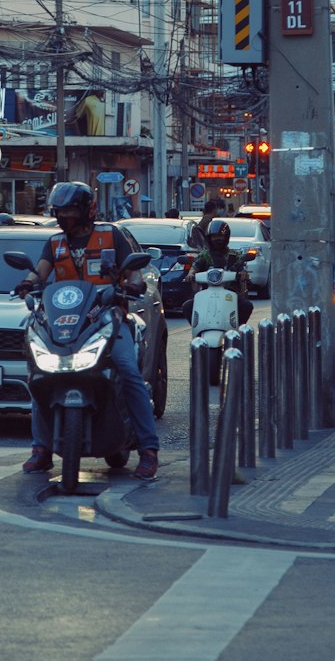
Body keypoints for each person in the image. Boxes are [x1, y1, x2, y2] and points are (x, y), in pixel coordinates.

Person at [16, 180, 160, 480]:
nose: (62, 217)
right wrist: (28, 283)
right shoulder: (54, 243)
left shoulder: (111, 235)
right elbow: (40, 270)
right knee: (38, 375)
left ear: (85, 210)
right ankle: (40, 449)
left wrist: (130, 282)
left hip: (108, 319)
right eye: (59, 211)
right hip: (68, 323)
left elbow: (134, 273)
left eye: (68, 210)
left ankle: (148, 449)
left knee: (128, 371)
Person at [192, 217, 252, 326]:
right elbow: (195, 266)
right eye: (214, 236)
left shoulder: (234, 255)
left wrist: (243, 274)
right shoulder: (205, 255)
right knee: (187, 306)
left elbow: (242, 268)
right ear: (209, 238)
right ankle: (198, 329)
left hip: (230, 294)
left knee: (246, 306)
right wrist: (190, 274)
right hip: (207, 294)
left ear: (226, 237)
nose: (217, 239)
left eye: (220, 236)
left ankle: (237, 329)